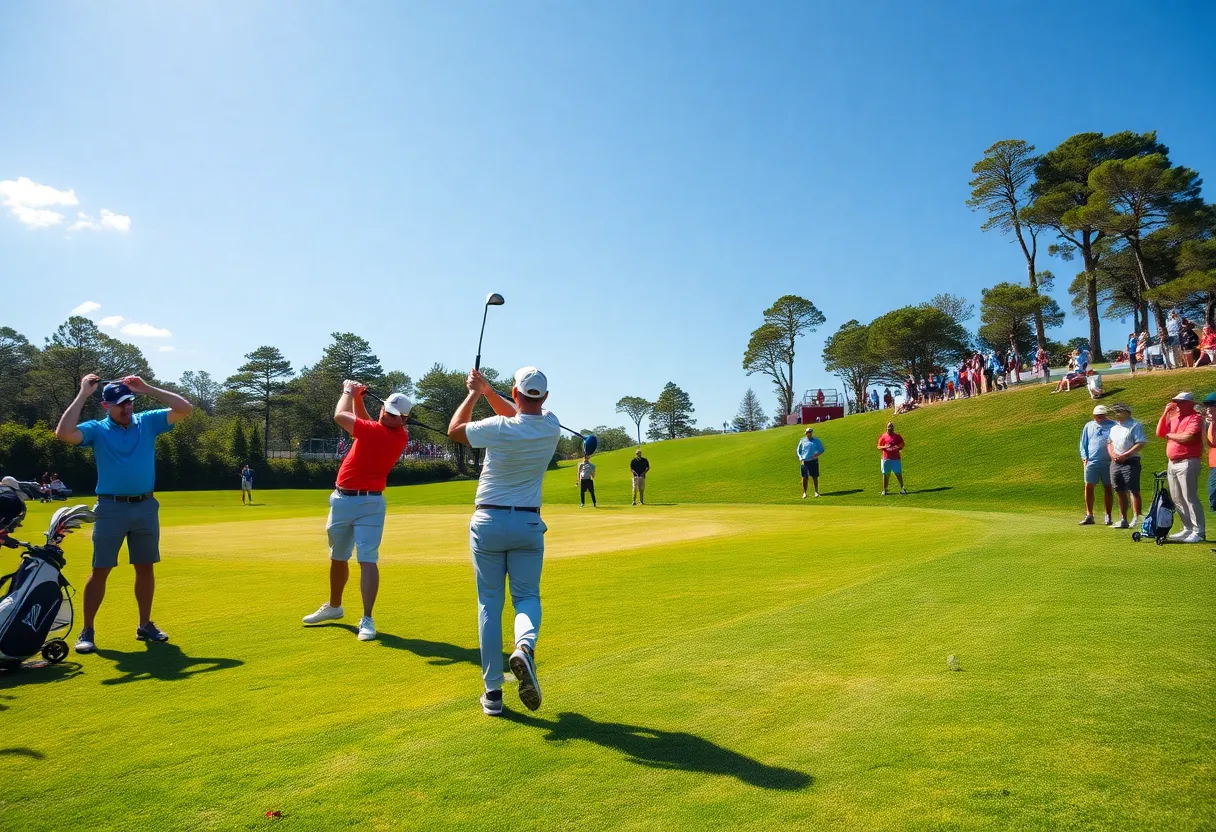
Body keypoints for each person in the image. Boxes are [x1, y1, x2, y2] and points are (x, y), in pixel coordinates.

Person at [448, 366, 561, 716]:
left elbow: (455, 431)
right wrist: (488, 390)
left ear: (515, 392)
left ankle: (493, 694)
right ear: (544, 397)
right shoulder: (552, 424)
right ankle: (525, 647)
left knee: (489, 605)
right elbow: (520, 413)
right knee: (526, 597)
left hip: (489, 520)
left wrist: (475, 393)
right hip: (528, 521)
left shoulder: (497, 428)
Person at [54, 375, 193, 654]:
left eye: (129, 402)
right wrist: (83, 393)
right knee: (100, 570)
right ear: (106, 405)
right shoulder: (97, 430)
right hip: (111, 508)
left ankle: (145, 625)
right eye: (120, 404)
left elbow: (185, 408)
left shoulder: (147, 421)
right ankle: (88, 630)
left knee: (145, 567)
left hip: (145, 506)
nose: (126, 408)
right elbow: (64, 434)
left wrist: (146, 388)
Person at [301, 381, 411, 641]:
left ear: (404, 419)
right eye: (386, 410)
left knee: (367, 559)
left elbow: (340, 415)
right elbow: (366, 423)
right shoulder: (390, 432)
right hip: (344, 499)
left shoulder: (380, 432)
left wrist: (348, 392)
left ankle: (367, 618)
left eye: (394, 415)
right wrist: (360, 400)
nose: (387, 415)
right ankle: (334, 607)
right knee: (338, 556)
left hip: (367, 504)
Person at [1155, 392, 1205, 543]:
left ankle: (1199, 531)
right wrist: (1165, 413)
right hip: (1173, 462)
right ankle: (1187, 528)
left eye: (1181, 402)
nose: (1177, 404)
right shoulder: (1174, 417)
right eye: (1176, 402)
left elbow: (1187, 438)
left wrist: (1170, 435)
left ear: (1190, 403)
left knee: (1189, 497)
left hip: (1188, 461)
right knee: (1177, 498)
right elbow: (1159, 433)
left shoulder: (1195, 417)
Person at [1107, 403, 1147, 530]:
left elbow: (1140, 443)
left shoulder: (1135, 425)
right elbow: (1110, 442)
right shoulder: (1114, 428)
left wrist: (1126, 454)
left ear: (1127, 412)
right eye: (1115, 411)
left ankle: (1137, 518)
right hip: (1116, 462)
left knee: (1133, 489)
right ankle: (1123, 519)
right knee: (1119, 490)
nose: (1116, 414)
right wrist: (1112, 454)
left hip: (1130, 461)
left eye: (1119, 411)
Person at [1078, 404, 1114, 526]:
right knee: (1089, 486)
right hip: (1091, 461)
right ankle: (1089, 515)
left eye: (1102, 415)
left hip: (1108, 462)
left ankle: (1108, 515)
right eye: (1097, 416)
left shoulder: (1113, 426)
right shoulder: (1089, 426)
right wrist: (1084, 458)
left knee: (1108, 487)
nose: (1100, 418)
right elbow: (1083, 443)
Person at [877, 422, 906, 496]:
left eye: (891, 426)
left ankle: (902, 488)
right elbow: (879, 446)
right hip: (886, 458)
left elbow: (902, 444)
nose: (890, 427)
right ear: (886, 427)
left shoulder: (897, 436)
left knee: (898, 473)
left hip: (895, 458)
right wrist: (885, 447)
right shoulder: (883, 436)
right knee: (885, 474)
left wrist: (898, 447)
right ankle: (884, 490)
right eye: (889, 426)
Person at [796, 427, 824, 498]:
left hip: (813, 461)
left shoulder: (816, 440)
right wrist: (800, 457)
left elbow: (821, 449)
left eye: (810, 433)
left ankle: (816, 492)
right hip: (804, 461)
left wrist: (817, 454)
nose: (809, 434)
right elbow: (798, 450)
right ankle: (804, 493)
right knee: (804, 477)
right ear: (806, 433)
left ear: (812, 433)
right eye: (808, 433)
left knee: (815, 476)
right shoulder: (802, 440)